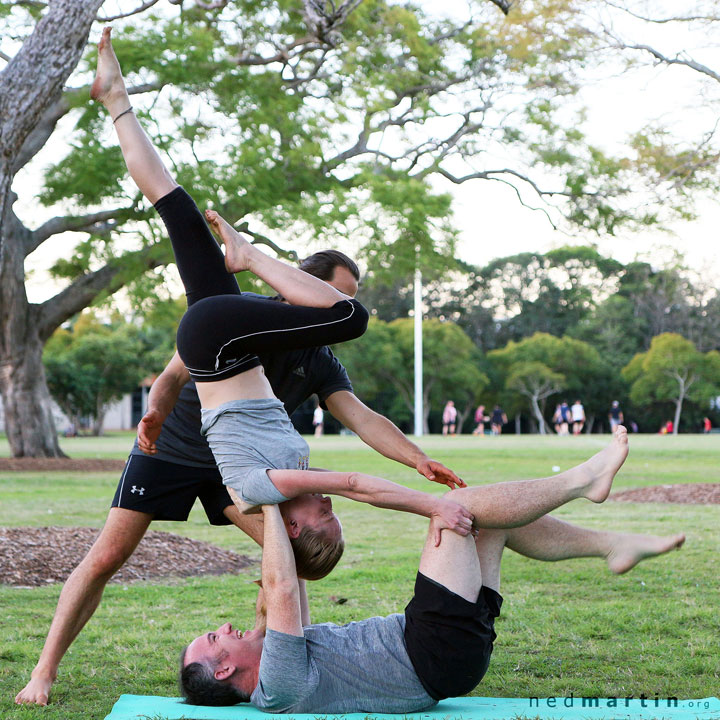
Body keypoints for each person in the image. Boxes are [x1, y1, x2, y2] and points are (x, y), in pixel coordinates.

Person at [15, 28, 463, 707]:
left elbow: (362, 425)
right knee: (175, 207)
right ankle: (116, 102)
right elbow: (174, 372)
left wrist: (418, 466)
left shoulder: (307, 354)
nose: (334, 303)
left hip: (226, 404)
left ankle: (281, 657)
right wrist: (158, 412)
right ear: (298, 287)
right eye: (329, 287)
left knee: (290, 560)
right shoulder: (250, 317)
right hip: (184, 438)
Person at [180, 428, 686, 710]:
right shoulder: (276, 686)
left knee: (488, 524)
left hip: (444, 657)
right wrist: (265, 499)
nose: (224, 628)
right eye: (214, 638)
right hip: (429, 650)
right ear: (224, 670)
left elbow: (288, 587)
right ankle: (584, 479)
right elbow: (282, 588)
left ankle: (612, 546)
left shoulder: (280, 666)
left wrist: (268, 532)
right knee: (458, 509)